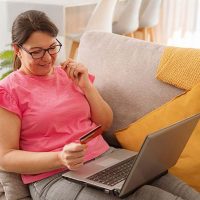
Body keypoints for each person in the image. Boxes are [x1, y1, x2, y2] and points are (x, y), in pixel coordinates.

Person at [0, 10, 199, 200]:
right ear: (18, 50)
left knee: (182, 189)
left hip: (105, 158)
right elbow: (5, 157)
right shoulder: (9, 89)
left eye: (52, 48)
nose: (47, 57)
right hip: (53, 176)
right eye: (36, 52)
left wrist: (86, 85)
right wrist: (60, 158)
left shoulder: (69, 74)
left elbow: (104, 123)